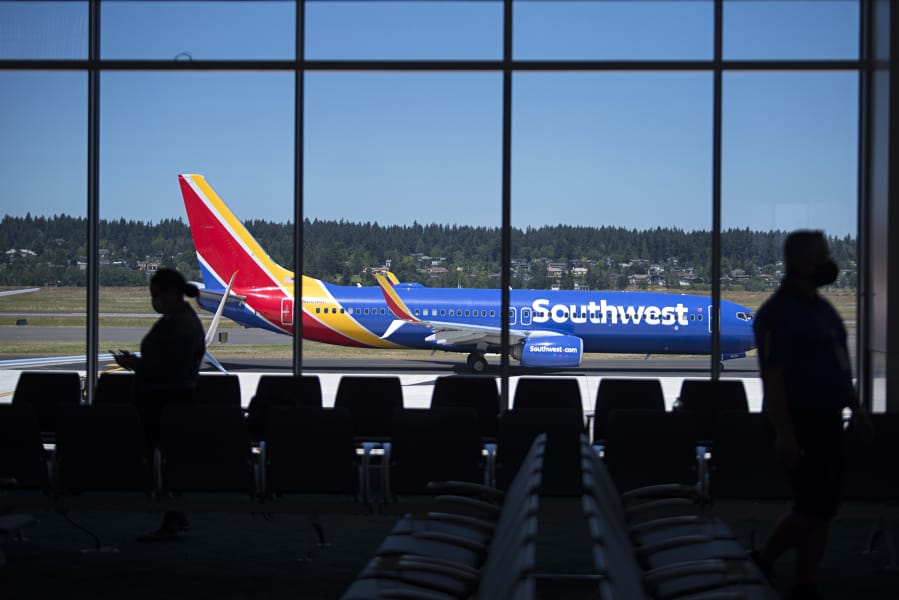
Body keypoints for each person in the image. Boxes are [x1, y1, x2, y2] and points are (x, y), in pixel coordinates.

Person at [751, 231, 871, 599]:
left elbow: (838, 366)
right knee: (814, 506)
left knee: (824, 507)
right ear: (803, 261)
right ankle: (765, 559)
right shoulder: (778, 314)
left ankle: (806, 581)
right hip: (801, 423)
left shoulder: (823, 310)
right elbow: (773, 379)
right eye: (823, 255)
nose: (829, 261)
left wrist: (855, 406)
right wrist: (784, 432)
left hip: (831, 420)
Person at [114, 267, 206, 541]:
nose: (153, 299)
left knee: (164, 459)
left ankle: (173, 515)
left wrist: (137, 366)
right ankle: (174, 514)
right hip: (167, 398)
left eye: (155, 293)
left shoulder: (178, 324)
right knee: (167, 460)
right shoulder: (181, 319)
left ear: (167, 292)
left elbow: (170, 368)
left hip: (166, 402)